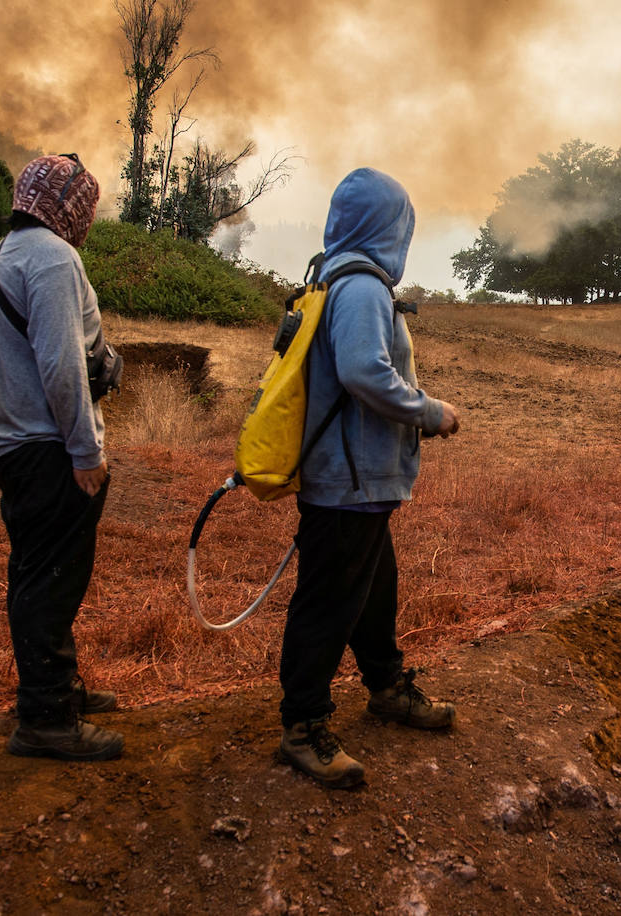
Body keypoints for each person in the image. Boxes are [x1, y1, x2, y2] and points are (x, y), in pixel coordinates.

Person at [277, 167, 461, 789]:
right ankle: (303, 726)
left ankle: (385, 685)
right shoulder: (361, 287)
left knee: (375, 590)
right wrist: (429, 412)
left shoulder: (339, 276)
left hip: (357, 483)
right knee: (329, 603)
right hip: (347, 483)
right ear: (390, 225)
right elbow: (363, 372)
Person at [0, 154, 123, 762]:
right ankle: (45, 718)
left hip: (12, 442)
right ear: (72, 206)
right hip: (47, 448)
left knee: (37, 573)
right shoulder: (55, 258)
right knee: (52, 581)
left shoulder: (5, 253)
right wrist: (85, 451)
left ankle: (53, 688)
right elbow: (62, 365)